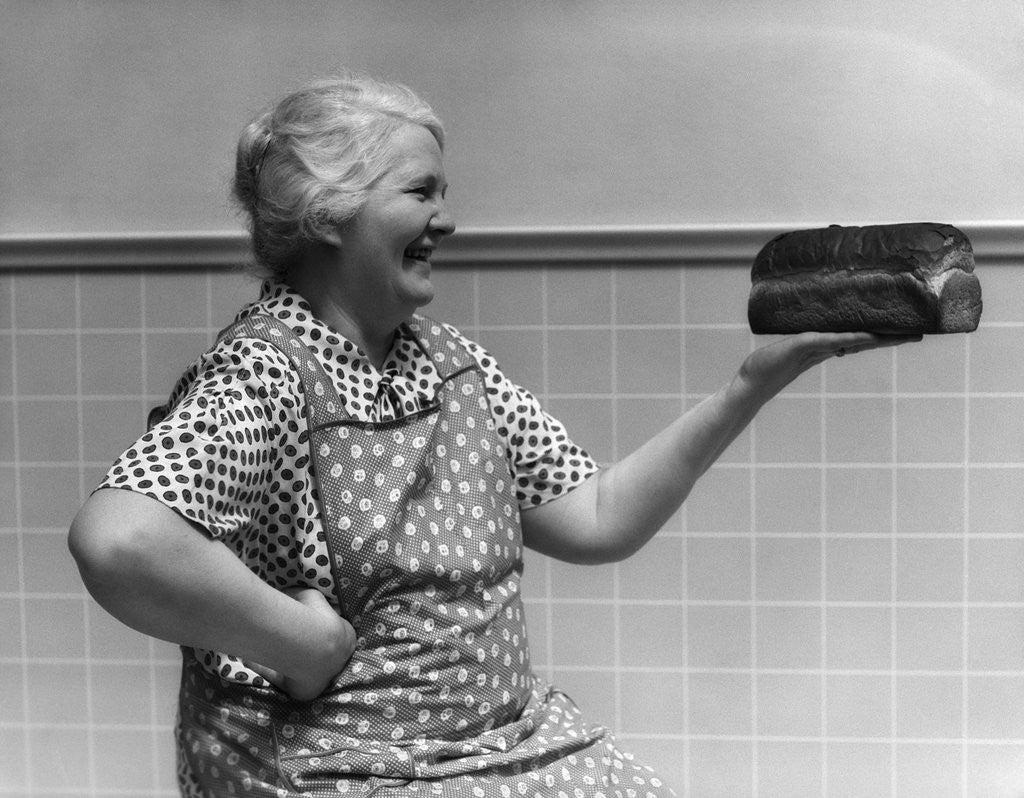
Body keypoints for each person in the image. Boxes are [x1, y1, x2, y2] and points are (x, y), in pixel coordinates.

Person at [67, 72, 919, 798]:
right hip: (345, 765)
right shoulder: (267, 370)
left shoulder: (448, 362)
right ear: (328, 214)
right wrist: (305, 641)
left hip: (502, 748)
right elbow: (121, 540)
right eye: (420, 192)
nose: (447, 219)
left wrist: (751, 383)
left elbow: (596, 518)